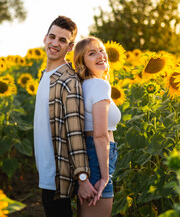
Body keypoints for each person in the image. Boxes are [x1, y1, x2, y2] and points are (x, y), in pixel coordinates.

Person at [33, 16, 97, 217]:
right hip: (47, 172)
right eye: (52, 37)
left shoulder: (68, 81)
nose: (54, 43)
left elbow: (75, 131)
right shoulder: (46, 75)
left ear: (70, 47)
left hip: (58, 176)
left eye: (62, 40)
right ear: (45, 38)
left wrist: (83, 177)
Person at [73, 36, 121, 217]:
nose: (101, 55)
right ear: (82, 62)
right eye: (92, 53)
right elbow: (100, 135)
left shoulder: (84, 85)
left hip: (90, 154)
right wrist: (105, 176)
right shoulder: (100, 85)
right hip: (99, 156)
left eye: (101, 50)